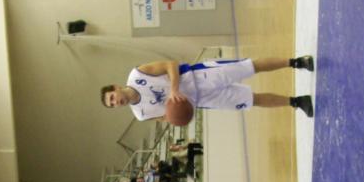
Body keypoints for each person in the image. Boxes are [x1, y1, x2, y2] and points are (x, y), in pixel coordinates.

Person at [101, 58, 316, 120]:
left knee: (250, 67)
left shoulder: (138, 75)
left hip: (199, 77)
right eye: (112, 105)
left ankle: (296, 62)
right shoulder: (141, 114)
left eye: (112, 97)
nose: (115, 102)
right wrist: (179, 115)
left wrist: (174, 89)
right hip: (203, 100)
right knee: (253, 100)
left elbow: (170, 64)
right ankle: (297, 102)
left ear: (116, 87)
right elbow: (166, 117)